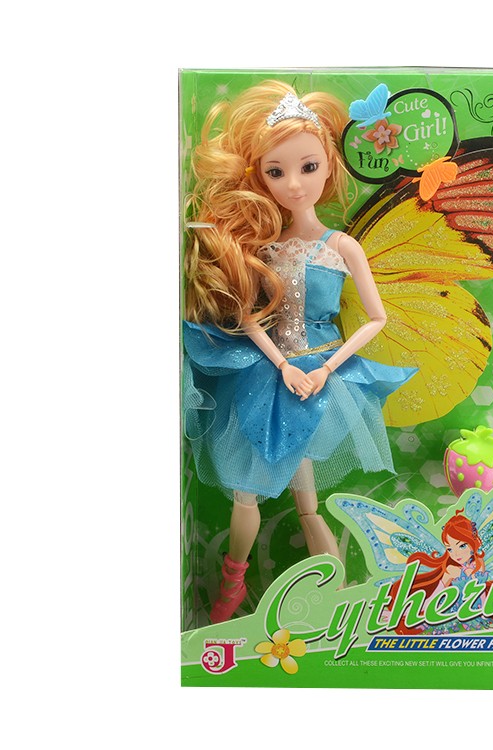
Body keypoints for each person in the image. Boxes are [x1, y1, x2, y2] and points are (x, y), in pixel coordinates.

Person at [183, 81, 416, 623]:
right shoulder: (263, 248)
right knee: (246, 495)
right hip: (267, 376)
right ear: (259, 177)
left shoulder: (342, 247)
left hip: (320, 377)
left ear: (329, 166)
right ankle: (231, 588)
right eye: (276, 171)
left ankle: (337, 597)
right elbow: (248, 316)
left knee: (307, 501)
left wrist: (325, 368)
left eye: (308, 167)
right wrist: (283, 363)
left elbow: (377, 318)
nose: (294, 183)